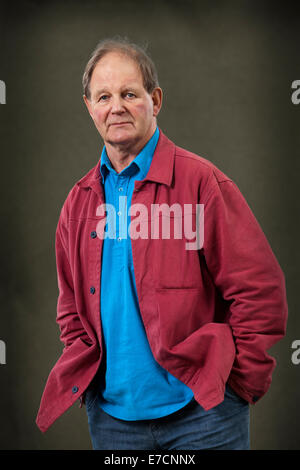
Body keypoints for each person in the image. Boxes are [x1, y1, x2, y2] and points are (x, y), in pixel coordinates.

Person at [36, 37, 288, 450]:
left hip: (204, 416)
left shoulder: (201, 183)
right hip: (113, 422)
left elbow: (260, 291)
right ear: (89, 107)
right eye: (104, 96)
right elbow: (70, 310)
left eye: (129, 94)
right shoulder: (78, 203)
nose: (115, 106)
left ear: (155, 99)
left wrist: (238, 384)